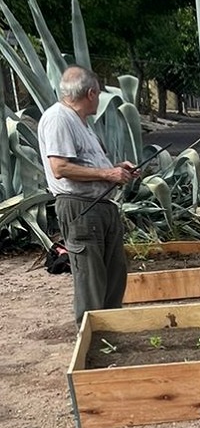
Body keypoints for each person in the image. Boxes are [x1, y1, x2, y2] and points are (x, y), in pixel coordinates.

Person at [37, 66, 140, 327]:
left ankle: (110, 333)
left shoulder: (80, 121)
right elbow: (60, 168)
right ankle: (92, 338)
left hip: (101, 206)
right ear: (91, 93)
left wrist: (117, 169)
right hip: (82, 208)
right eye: (99, 93)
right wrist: (108, 174)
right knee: (91, 280)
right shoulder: (59, 118)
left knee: (113, 275)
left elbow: (86, 165)